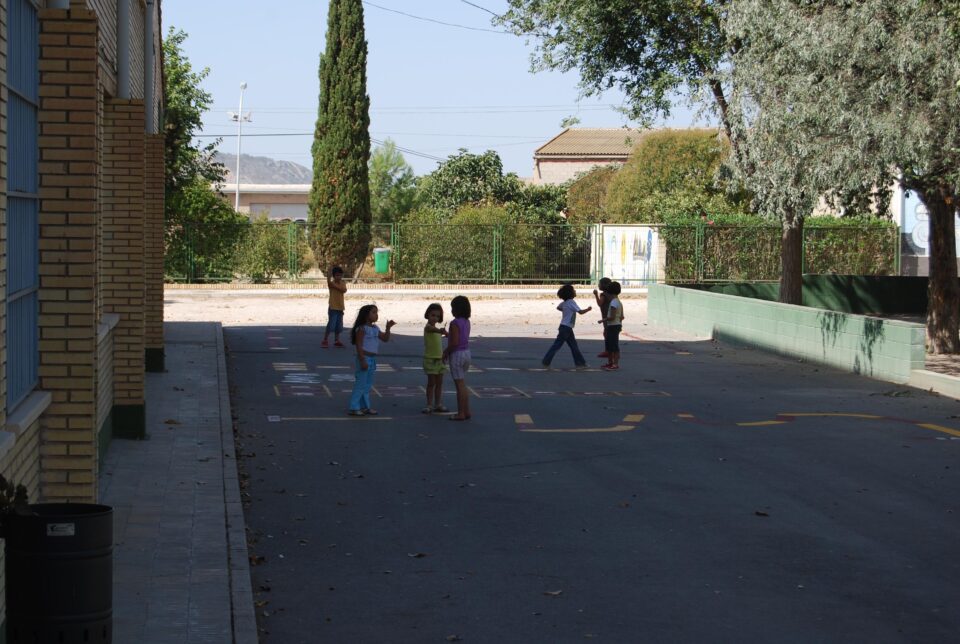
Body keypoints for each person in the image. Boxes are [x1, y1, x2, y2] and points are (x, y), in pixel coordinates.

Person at [347, 304, 395, 416]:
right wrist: (362, 360)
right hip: (364, 358)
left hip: (372, 359)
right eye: (373, 312)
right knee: (360, 384)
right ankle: (354, 407)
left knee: (367, 385)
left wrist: (388, 328)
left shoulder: (375, 328)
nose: (376, 315)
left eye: (377, 312)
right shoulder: (362, 329)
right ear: (366, 315)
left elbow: (385, 339)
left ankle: (364, 407)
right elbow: (359, 345)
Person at [542, 283, 592, 369]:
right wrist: (588, 309)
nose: (575, 291)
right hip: (566, 328)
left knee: (573, 346)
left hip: (565, 327)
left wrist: (565, 310)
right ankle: (546, 361)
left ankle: (580, 363)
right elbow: (580, 312)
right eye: (573, 290)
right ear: (570, 293)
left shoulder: (565, 302)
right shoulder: (571, 302)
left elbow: (558, 307)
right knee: (558, 345)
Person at [442, 295, 472, 421]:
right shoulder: (466, 322)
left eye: (453, 308)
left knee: (459, 385)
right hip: (466, 353)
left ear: (457, 309)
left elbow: (454, 342)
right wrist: (447, 334)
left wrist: (445, 352)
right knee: (462, 383)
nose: (451, 310)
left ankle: (461, 413)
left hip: (457, 355)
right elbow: (461, 337)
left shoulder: (454, 323)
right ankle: (466, 411)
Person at [422, 303, 449, 414]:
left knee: (439, 383)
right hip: (430, 360)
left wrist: (445, 333)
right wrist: (441, 331)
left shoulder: (437, 330)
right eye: (433, 315)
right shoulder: (428, 327)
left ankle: (438, 404)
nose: (435, 318)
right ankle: (429, 404)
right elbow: (432, 329)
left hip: (439, 359)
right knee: (431, 383)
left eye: (438, 316)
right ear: (428, 315)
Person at [321, 266, 347, 348]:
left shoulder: (342, 283)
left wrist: (335, 286)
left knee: (339, 325)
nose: (339, 277)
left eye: (340, 275)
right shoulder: (331, 284)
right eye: (337, 275)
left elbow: (344, 290)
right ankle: (325, 339)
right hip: (333, 307)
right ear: (334, 276)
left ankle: (336, 340)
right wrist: (328, 274)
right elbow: (328, 281)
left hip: (340, 307)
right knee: (331, 324)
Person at [601, 281, 623, 371]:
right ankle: (611, 363)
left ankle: (615, 364)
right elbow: (621, 316)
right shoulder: (618, 302)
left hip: (613, 326)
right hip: (616, 325)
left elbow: (612, 317)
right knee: (610, 345)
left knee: (613, 346)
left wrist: (604, 320)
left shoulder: (613, 302)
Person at [593, 277, 613, 359]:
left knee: (607, 334)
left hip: (606, 317)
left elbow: (600, 303)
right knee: (608, 333)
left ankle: (608, 351)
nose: (598, 285)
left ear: (603, 285)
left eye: (599, 284)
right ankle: (609, 350)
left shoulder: (603, 294)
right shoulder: (612, 294)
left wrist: (596, 295)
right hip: (611, 316)